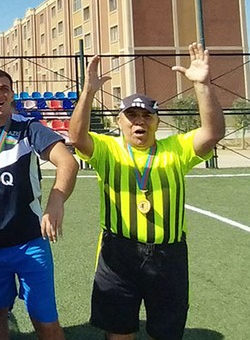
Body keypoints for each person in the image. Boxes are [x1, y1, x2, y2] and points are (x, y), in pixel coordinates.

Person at [67, 43, 224, 340]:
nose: (139, 121)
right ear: (119, 122)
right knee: (119, 332)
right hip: (118, 252)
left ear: (157, 121)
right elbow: (76, 137)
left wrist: (202, 85)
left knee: (166, 332)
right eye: (131, 115)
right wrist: (88, 91)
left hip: (169, 254)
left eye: (146, 115)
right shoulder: (107, 149)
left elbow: (213, 132)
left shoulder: (176, 148)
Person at [0, 69, 78, 340]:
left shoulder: (28, 128)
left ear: (12, 95)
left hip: (29, 242)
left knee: (45, 321)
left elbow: (67, 162)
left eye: (4, 89)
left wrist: (56, 201)